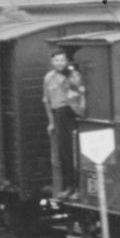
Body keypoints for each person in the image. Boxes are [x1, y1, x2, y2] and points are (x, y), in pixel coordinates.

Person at [43, 49, 79, 200]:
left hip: (72, 112)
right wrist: (51, 122)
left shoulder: (73, 74)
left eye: (62, 60)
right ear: (52, 62)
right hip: (59, 114)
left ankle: (77, 187)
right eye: (56, 60)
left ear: (67, 61)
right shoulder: (48, 78)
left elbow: (78, 89)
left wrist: (69, 74)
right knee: (64, 152)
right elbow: (47, 101)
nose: (59, 63)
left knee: (74, 151)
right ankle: (69, 187)